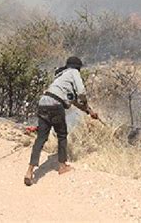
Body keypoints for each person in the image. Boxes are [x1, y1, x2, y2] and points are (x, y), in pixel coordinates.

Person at [24, 56, 99, 186]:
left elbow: (74, 101)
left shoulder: (60, 77)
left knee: (41, 138)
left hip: (43, 103)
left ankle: (30, 171)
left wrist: (89, 112)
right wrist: (86, 102)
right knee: (62, 135)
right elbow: (81, 92)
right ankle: (62, 166)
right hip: (55, 106)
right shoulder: (73, 72)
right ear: (78, 68)